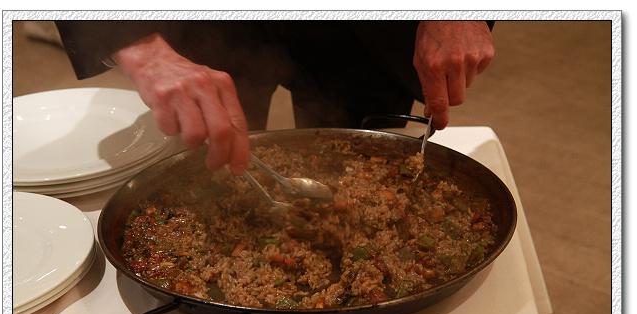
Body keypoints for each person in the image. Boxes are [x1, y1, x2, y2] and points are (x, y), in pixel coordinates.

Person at [55, 20, 494, 175]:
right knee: (212, 168)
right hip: (210, 23)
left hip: (369, 31)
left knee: (366, 167)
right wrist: (136, 44)